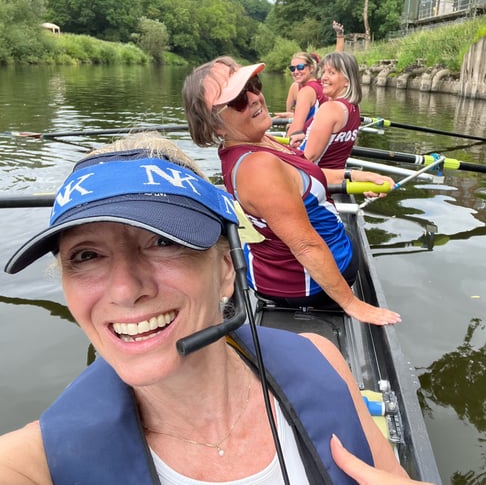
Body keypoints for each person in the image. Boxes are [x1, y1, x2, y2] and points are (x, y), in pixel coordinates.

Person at [0, 133, 411, 484]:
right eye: (87, 256)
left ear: (227, 266)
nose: (125, 290)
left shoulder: (322, 358)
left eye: (163, 242)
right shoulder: (30, 465)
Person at [182, 56, 401, 326]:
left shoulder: (259, 139)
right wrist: (353, 304)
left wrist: (357, 174)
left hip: (278, 271)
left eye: (253, 85)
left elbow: (301, 176)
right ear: (214, 125)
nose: (254, 98)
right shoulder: (258, 167)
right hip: (305, 286)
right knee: (350, 244)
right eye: (238, 99)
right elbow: (306, 245)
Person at [290, 51, 362, 169]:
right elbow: (333, 142)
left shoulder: (329, 109)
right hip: (337, 175)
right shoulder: (354, 107)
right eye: (324, 72)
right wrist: (306, 138)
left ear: (347, 81)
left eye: (331, 73)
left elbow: (308, 157)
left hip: (317, 179)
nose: (324, 78)